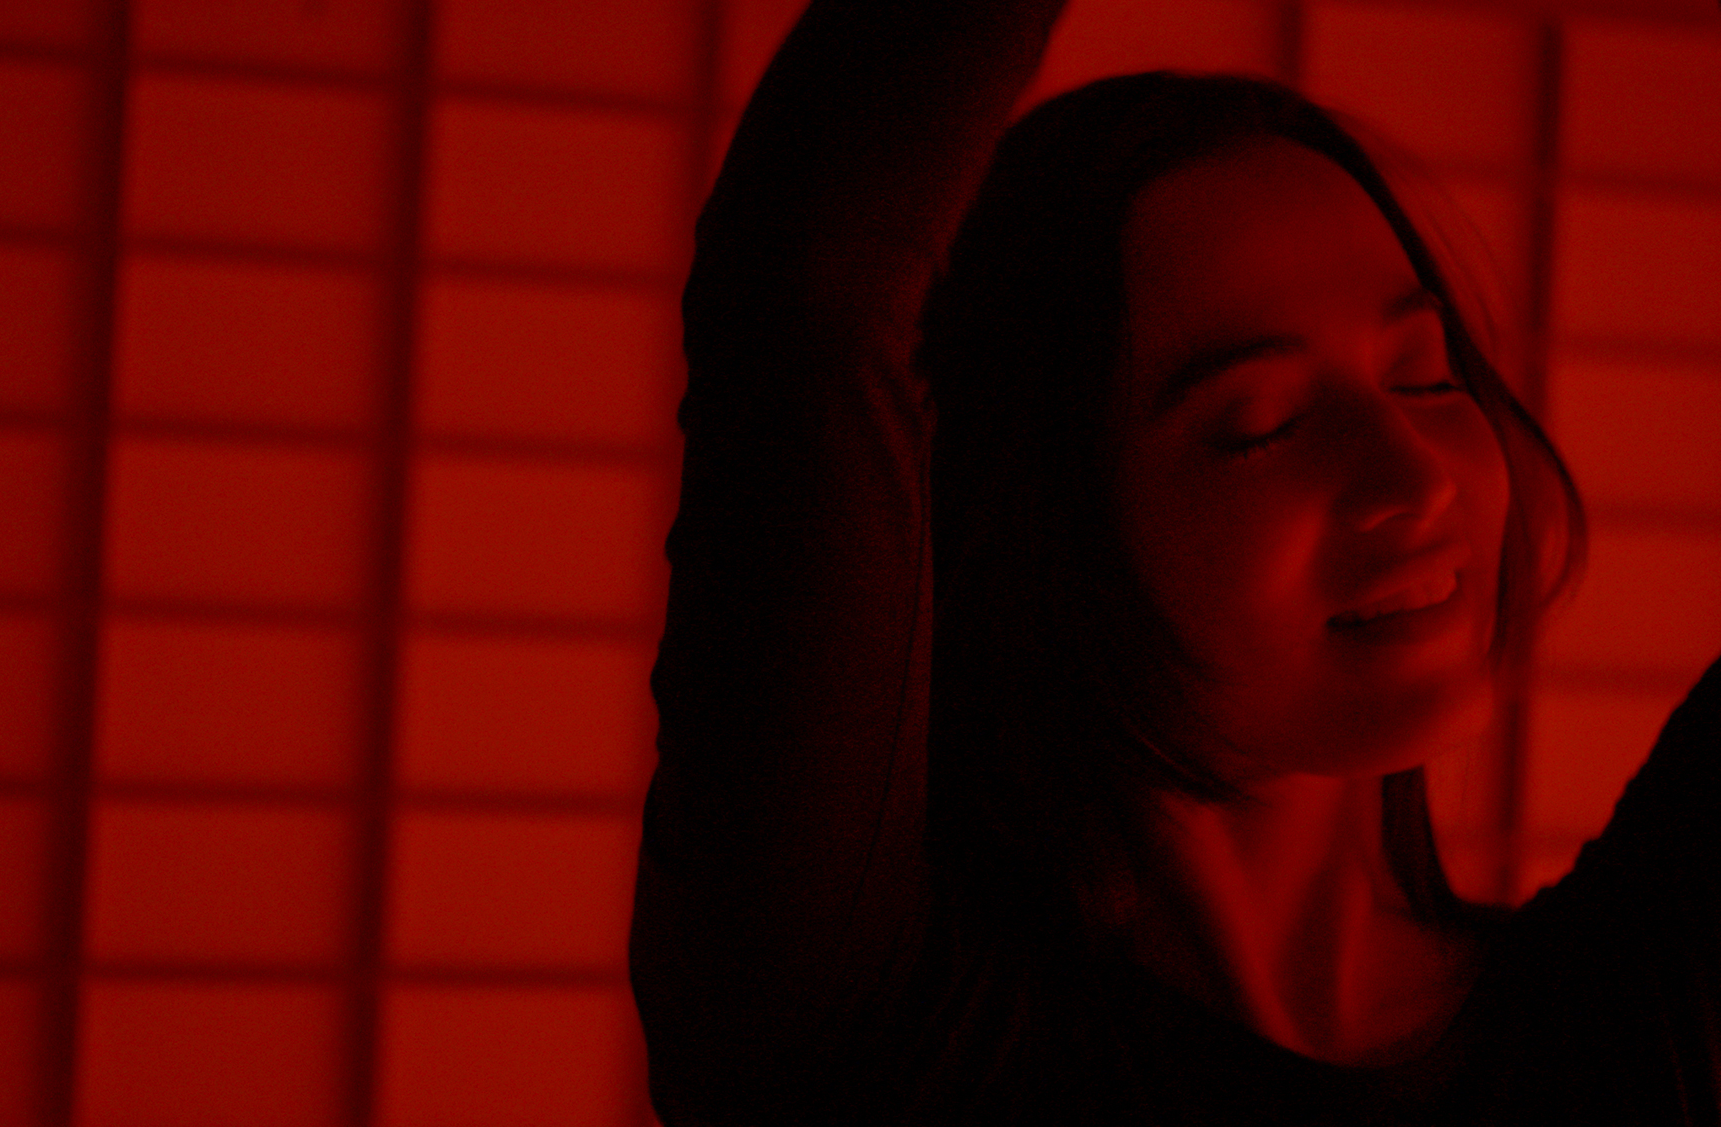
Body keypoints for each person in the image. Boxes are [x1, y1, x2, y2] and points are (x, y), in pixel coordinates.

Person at [631, 0, 1721, 1122]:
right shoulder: (874, 1028)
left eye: (1425, 374)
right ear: (1046, 528)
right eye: (1263, 424)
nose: (1416, 475)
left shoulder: (1643, 1004)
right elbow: (812, 285)